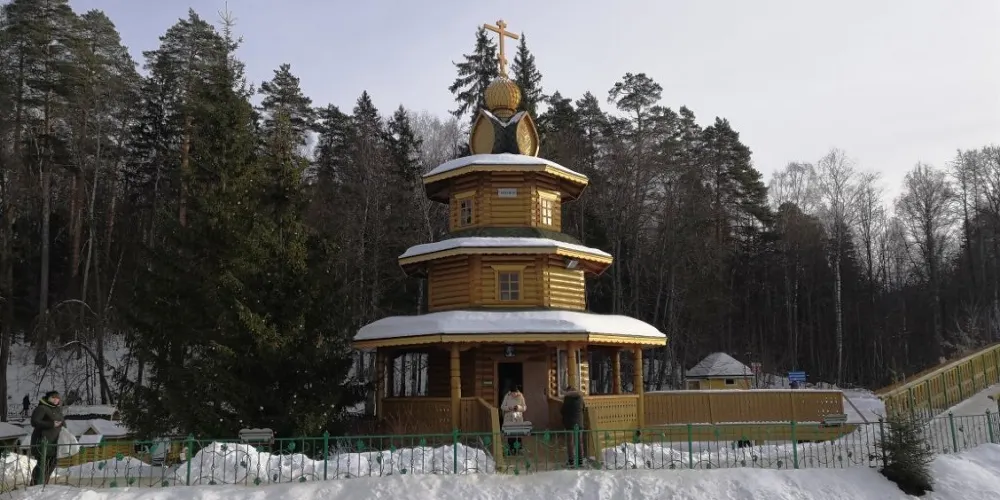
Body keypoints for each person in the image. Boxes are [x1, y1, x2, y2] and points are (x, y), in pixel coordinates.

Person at [30, 391, 64, 486]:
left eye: (58, 398)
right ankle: (35, 485)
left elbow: (62, 421)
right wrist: (51, 424)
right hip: (42, 441)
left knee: (52, 463)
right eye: (53, 397)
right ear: (48, 398)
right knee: (42, 464)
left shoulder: (57, 409)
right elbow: (34, 421)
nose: (56, 399)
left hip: (54, 442)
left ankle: (44, 484)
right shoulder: (41, 408)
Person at [561, 385, 586, 467]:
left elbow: (563, 410)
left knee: (570, 442)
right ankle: (580, 461)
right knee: (580, 442)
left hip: (569, 423)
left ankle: (571, 461)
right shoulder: (580, 397)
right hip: (579, 423)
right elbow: (584, 408)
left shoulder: (567, 398)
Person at [500, 386, 526, 454]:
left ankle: (518, 450)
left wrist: (518, 408)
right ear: (510, 392)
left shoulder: (521, 396)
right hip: (509, 418)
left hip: (518, 418)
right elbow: (502, 407)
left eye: (515, 393)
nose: (514, 394)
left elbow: (524, 407)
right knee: (510, 434)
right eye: (513, 393)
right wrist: (509, 408)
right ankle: (510, 449)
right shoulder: (507, 396)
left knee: (517, 434)